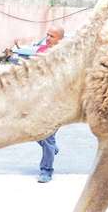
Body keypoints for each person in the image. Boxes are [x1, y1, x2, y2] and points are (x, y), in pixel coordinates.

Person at [35, 25, 64, 183]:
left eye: (52, 36)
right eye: (47, 35)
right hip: (39, 99)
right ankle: (51, 150)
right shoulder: (41, 50)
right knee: (32, 130)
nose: (48, 38)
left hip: (57, 102)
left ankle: (46, 170)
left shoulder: (65, 55)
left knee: (47, 136)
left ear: (60, 39)